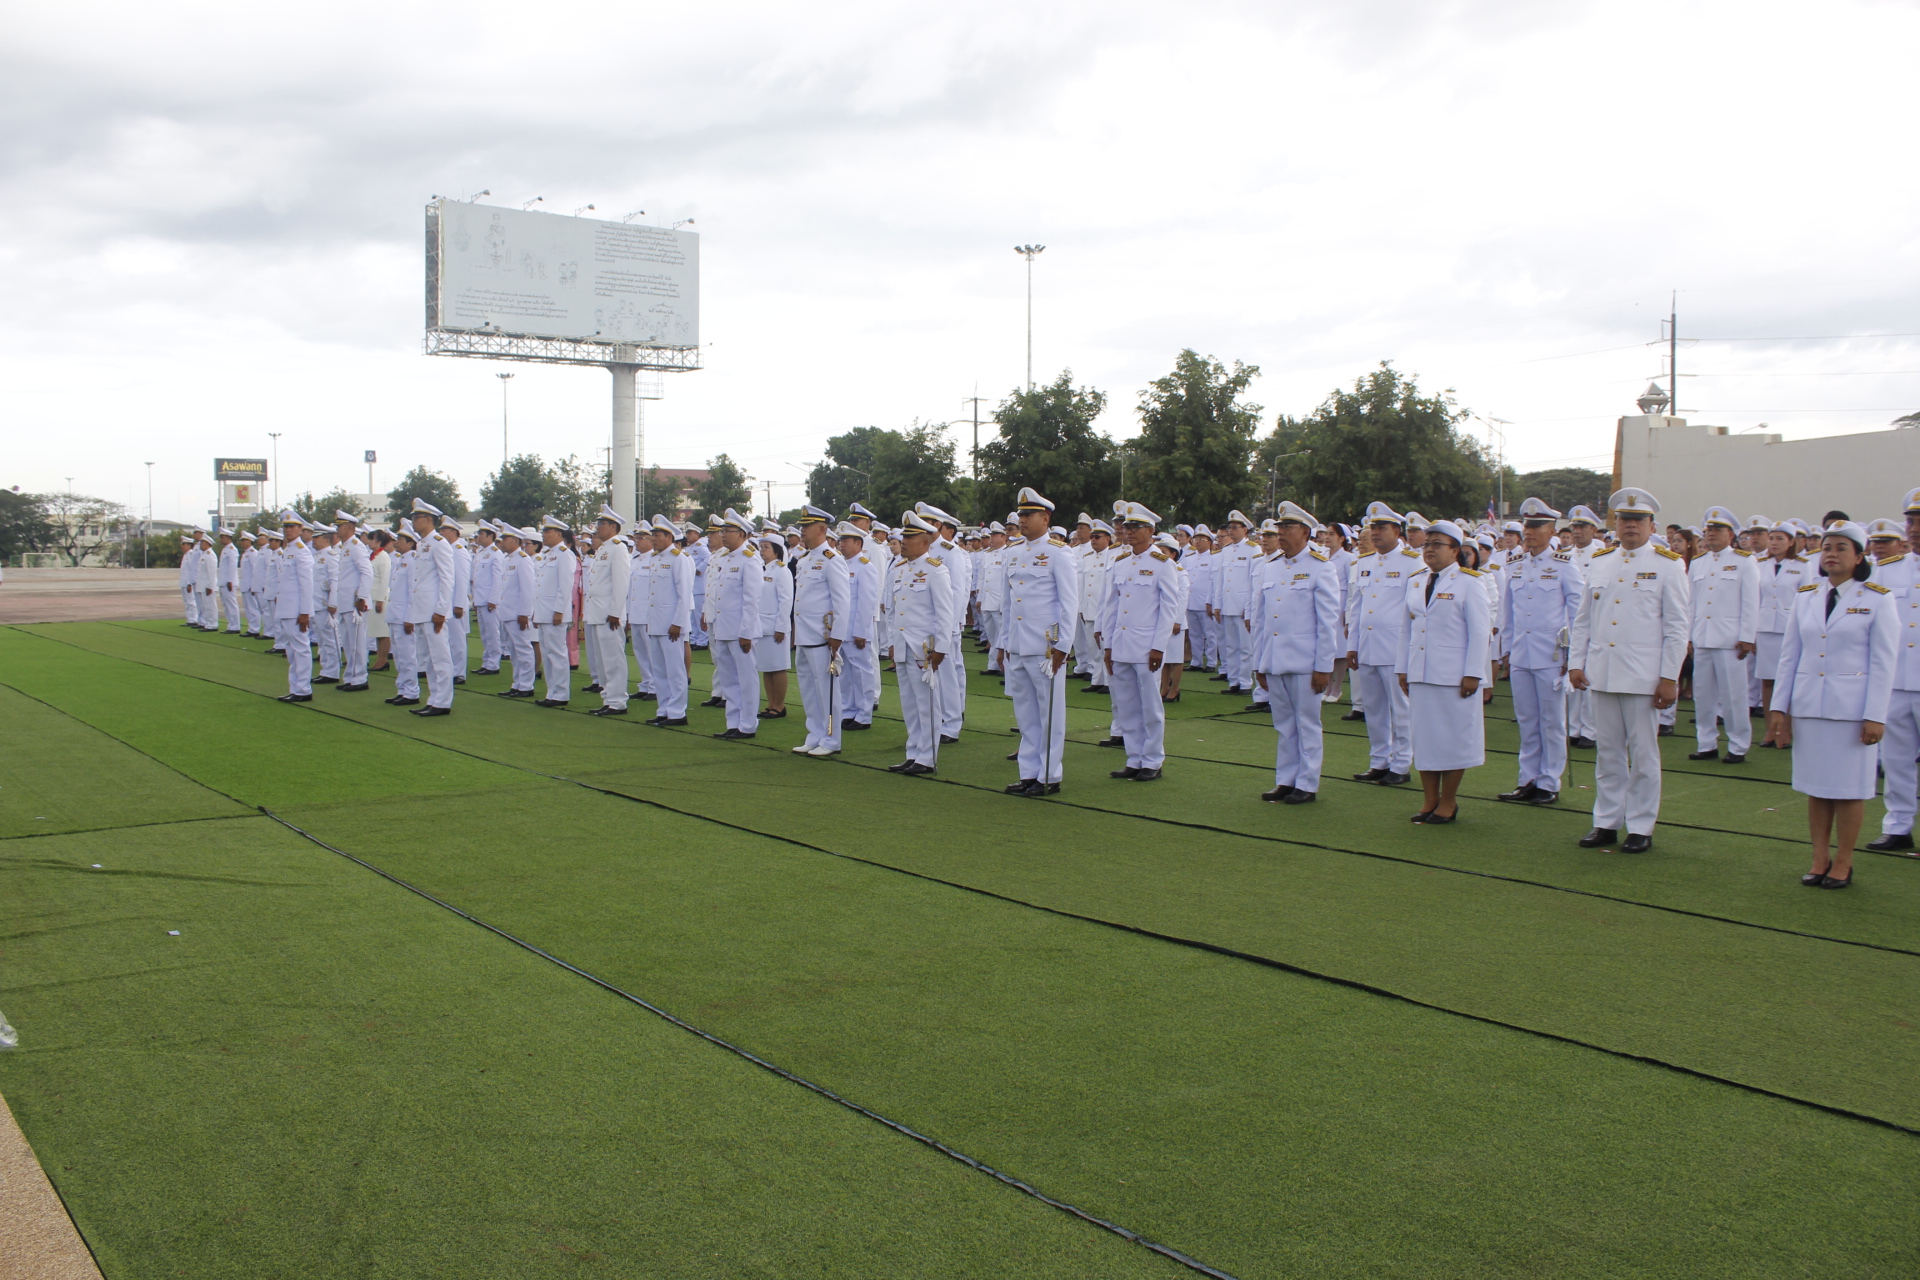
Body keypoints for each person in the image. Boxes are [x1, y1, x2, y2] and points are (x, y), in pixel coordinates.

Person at [1768, 522, 1894, 889]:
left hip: (1852, 712)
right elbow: (1790, 656)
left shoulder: (1876, 598)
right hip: (1810, 707)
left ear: (1858, 557)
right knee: (1817, 787)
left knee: (1849, 789)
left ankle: (1843, 861)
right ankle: (1819, 857)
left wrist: (1875, 716)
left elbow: (1884, 662)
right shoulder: (1806, 595)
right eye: (1826, 548)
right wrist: (1780, 709)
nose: (1831, 554)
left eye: (1841, 548)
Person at [1567, 488, 1692, 853]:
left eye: (1638, 520)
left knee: (1643, 754)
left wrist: (1670, 677)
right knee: (1607, 753)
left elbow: (1676, 627)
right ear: (1615, 524)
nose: (1631, 526)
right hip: (1602, 673)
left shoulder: (1669, 564)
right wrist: (1577, 663)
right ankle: (1605, 821)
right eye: (1624, 519)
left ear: (1651, 525)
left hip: (1643, 677)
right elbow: (1583, 620)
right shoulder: (1602, 561)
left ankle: (1640, 825)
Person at [1398, 520, 1489, 823]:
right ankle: (1429, 800)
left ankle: (1448, 802)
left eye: (1437, 544)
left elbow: (1479, 632)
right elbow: (1406, 629)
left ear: (1455, 551)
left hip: (1453, 675)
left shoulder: (1470, 582)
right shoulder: (1415, 580)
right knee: (1424, 738)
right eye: (1426, 544)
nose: (1429, 550)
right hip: (1421, 671)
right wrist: (1402, 668)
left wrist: (1474, 673)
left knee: (1452, 739)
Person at [1250, 501, 1342, 804]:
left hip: (1305, 662)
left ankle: (1307, 782)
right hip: (1275, 660)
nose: (1282, 533)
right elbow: (1262, 620)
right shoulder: (1272, 566)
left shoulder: (1321, 567)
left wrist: (1323, 666)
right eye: (1280, 528)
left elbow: (1328, 621)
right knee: (1284, 725)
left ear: (1305, 532)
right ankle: (1286, 780)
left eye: (1288, 528)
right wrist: (1260, 663)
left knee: (1307, 724)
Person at [993, 488, 1080, 795]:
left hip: (1045, 648)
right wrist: (1002, 644)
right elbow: (1008, 604)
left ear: (1045, 518)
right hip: (1018, 644)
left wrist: (1062, 647)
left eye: (1029, 515)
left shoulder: (1059, 553)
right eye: (1021, 515)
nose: (1023, 520)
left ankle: (1048, 775)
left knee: (1050, 714)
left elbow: (1069, 604)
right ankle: (1029, 773)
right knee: (1026, 715)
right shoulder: (1012, 552)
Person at [1499, 497, 1584, 805]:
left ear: (1552, 530)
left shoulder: (1563, 565)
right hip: (1522, 653)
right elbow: (1507, 613)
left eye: (1537, 526)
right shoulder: (1515, 564)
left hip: (1552, 655)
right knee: (1527, 720)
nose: (1530, 532)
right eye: (1527, 526)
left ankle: (1549, 782)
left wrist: (1573, 654)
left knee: (1551, 721)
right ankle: (1528, 779)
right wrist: (1505, 651)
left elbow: (1577, 613)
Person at [1098, 501, 1185, 782]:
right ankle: (1134, 758)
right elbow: (1112, 607)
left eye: (1136, 527)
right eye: (1127, 526)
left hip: (1147, 647)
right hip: (1121, 645)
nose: (1129, 531)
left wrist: (1159, 646)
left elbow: (1168, 609)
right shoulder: (1120, 562)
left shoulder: (1163, 564)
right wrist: (1108, 645)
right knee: (1127, 706)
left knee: (1150, 707)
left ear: (1151, 530)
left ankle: (1153, 760)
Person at [1347, 502, 1419, 784]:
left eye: (1381, 528)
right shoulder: (1363, 563)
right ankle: (1379, 761)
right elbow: (1357, 608)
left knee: (1400, 710)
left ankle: (1401, 765)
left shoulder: (1413, 562)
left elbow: (1417, 610)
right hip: (1367, 646)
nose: (1375, 533)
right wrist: (1352, 645)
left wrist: (1410, 650)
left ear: (1397, 530)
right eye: (1372, 528)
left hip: (1395, 648)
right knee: (1374, 710)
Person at [1686, 506, 1761, 764]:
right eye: (1709, 530)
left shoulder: (1744, 561)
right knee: (1703, 694)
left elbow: (1751, 601)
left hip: (1731, 640)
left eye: (1718, 530)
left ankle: (1738, 745)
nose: (1712, 534)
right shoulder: (1698, 562)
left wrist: (1748, 637)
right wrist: (1688, 636)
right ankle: (1706, 743)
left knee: (1734, 696)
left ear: (1731, 534)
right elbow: (1691, 603)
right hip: (1703, 637)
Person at [884, 511, 955, 775]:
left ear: (924, 543)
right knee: (910, 704)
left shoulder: (936, 570)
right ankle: (913, 752)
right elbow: (893, 611)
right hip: (903, 646)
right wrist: (891, 642)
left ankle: (927, 757)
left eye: (910, 537)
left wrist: (941, 649)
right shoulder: (899, 569)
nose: (903, 542)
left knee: (927, 705)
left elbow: (945, 613)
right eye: (903, 537)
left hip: (924, 649)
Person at [788, 505, 850, 756]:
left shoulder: (831, 559)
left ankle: (831, 740)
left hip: (822, 637)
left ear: (822, 529)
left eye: (807, 527)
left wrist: (837, 635)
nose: (802, 531)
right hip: (805, 634)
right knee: (809, 689)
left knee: (827, 690)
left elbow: (842, 601)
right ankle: (814, 734)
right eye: (802, 526)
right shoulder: (805, 559)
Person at [704, 509, 764, 739]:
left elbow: (751, 600)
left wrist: (746, 632)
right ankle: (733, 722)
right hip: (723, 628)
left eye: (728, 531)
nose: (723, 535)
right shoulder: (724, 558)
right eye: (722, 531)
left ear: (742, 534)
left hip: (741, 630)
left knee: (746, 679)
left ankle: (747, 724)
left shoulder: (749, 559)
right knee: (728, 679)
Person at [836, 521, 881, 733]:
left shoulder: (865, 567)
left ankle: (864, 715)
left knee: (862, 673)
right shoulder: (841, 564)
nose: (841, 544)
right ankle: (848, 711)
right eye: (840, 540)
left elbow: (866, 602)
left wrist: (861, 631)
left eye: (845, 541)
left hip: (857, 630)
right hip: (841, 629)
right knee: (845, 674)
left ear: (858, 542)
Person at [272, 513, 316, 701]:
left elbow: (306, 585)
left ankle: (304, 689)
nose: (288, 529)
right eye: (286, 526)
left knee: (301, 649)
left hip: (297, 610)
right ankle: (296, 688)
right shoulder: (289, 550)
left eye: (292, 526)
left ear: (300, 529)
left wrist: (305, 612)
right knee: (292, 651)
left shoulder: (301, 551)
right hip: (286, 608)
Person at [494, 526, 539, 699]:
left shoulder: (523, 559)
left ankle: (527, 685)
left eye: (506, 538)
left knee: (523, 649)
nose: (503, 542)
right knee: (513, 652)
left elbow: (528, 589)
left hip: (517, 613)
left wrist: (524, 613)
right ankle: (517, 683)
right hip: (506, 612)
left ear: (516, 541)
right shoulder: (507, 559)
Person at [753, 532, 794, 720]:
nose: (762, 551)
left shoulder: (781, 570)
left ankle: (780, 705)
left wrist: (781, 627)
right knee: (766, 667)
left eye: (766, 547)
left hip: (776, 627)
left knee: (777, 667)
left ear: (777, 550)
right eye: (761, 547)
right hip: (761, 626)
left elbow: (786, 601)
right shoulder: (761, 569)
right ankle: (770, 703)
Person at [330, 511, 372, 693]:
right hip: (345, 602)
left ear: (349, 527)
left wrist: (361, 597)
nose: (337, 529)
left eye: (339, 526)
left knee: (357, 642)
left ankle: (360, 678)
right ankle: (351, 676)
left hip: (355, 603)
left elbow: (367, 572)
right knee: (348, 643)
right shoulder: (344, 547)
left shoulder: (356, 546)